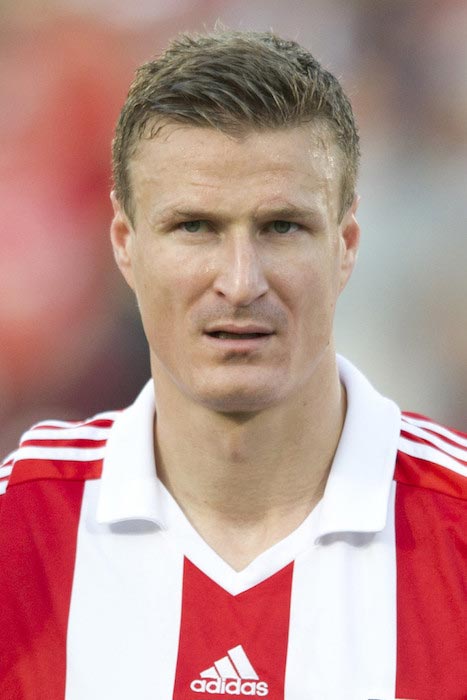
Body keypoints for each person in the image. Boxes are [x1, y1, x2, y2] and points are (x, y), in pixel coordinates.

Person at [0, 29, 465, 700]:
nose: (240, 282)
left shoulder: (456, 529)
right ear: (125, 246)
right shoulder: (19, 528)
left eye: (281, 227)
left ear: (345, 245)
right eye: (195, 227)